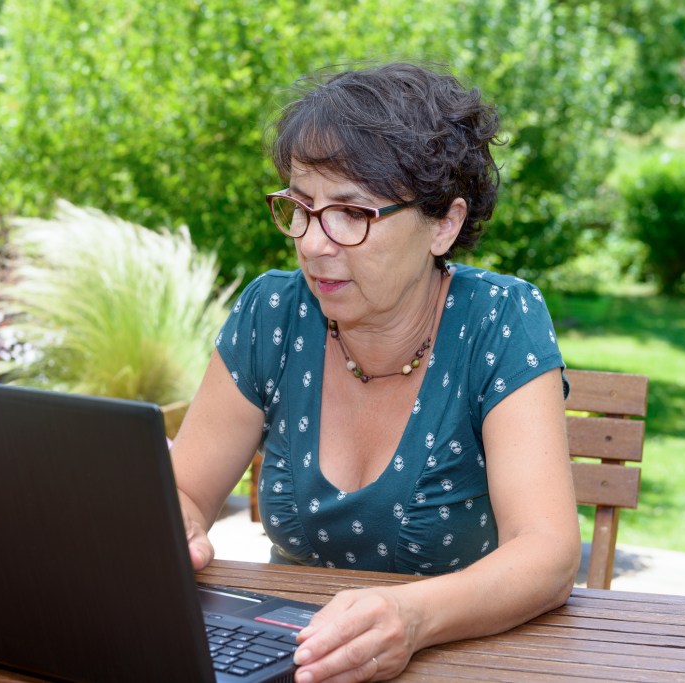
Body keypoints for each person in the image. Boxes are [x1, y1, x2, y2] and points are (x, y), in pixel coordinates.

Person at [171, 62, 580, 683]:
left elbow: (547, 554)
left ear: (443, 223)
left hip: (461, 660)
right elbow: (183, 490)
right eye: (301, 208)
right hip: (289, 659)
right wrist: (180, 524)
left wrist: (411, 618)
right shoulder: (272, 313)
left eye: (352, 214)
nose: (312, 242)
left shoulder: (499, 319)